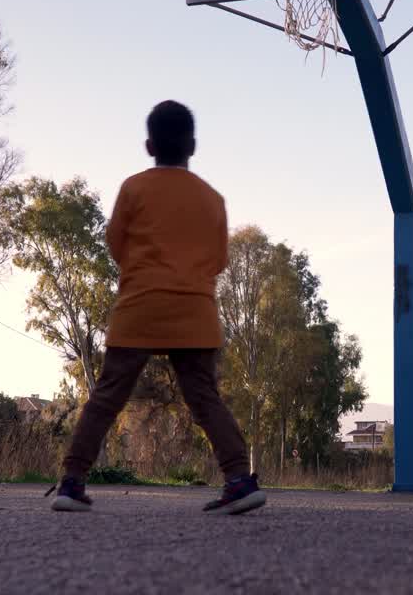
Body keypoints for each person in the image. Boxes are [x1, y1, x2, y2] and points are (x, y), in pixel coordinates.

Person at [48, 100, 265, 515]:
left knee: (108, 396)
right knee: (204, 398)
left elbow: (115, 243)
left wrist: (145, 270)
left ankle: (72, 483)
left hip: (140, 306)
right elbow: (220, 260)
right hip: (195, 313)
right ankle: (239, 478)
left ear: (149, 146)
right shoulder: (212, 199)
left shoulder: (133, 188)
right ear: (193, 145)